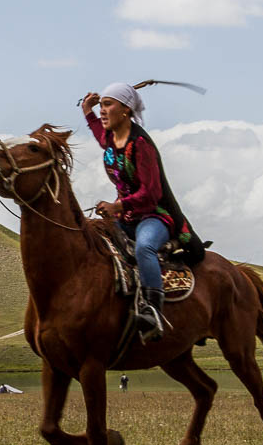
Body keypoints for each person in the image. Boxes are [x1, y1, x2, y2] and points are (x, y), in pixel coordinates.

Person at [81, 83, 201, 342]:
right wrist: (87, 111)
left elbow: (151, 193)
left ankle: (152, 311)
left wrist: (117, 206)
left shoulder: (140, 145)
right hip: (125, 217)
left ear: (125, 110)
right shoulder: (112, 138)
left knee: (144, 248)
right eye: (102, 105)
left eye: (107, 105)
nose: (103, 111)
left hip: (153, 216)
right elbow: (99, 136)